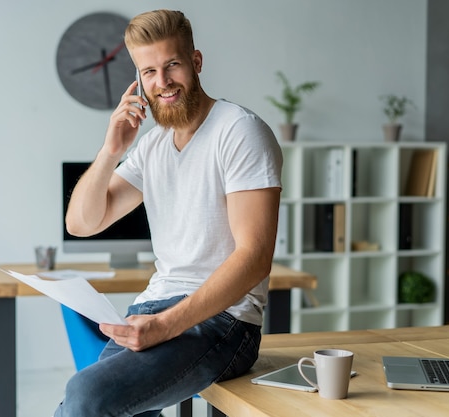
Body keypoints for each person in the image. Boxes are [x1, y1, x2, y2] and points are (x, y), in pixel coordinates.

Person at [54, 9, 283, 417]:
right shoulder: (151, 147)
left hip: (223, 322)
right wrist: (111, 151)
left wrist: (166, 325)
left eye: (172, 65)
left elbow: (254, 258)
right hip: (151, 309)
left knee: (87, 397)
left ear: (195, 62)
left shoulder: (240, 132)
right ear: (138, 80)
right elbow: (81, 223)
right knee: (78, 403)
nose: (162, 83)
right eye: (149, 72)